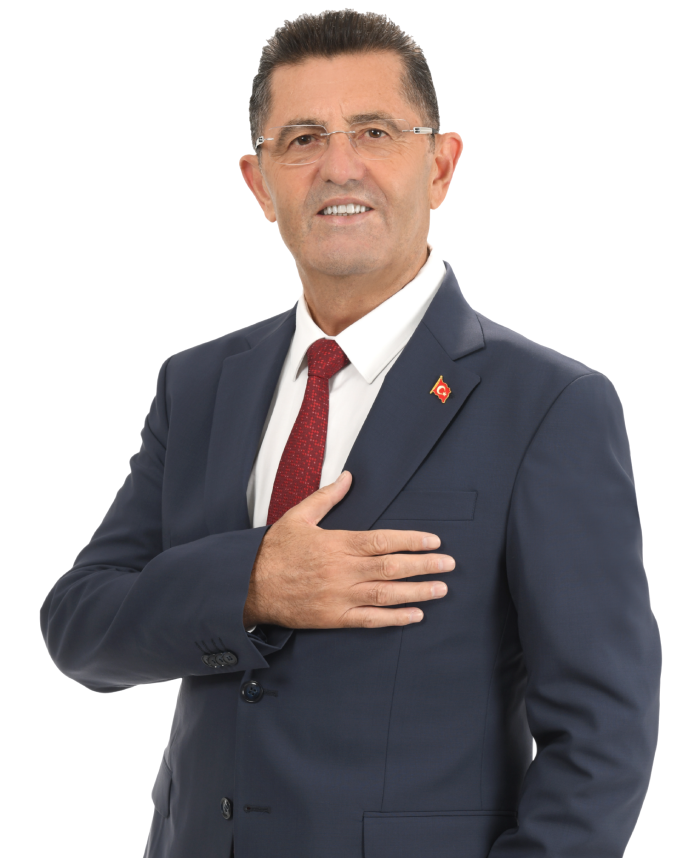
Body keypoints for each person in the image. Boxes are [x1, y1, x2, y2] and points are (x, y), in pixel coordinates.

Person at [39, 10, 660, 858]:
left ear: (439, 166)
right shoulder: (199, 384)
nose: (340, 165)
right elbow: (81, 627)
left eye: (374, 131)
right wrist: (253, 584)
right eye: (302, 139)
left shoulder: (550, 403)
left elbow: (602, 732)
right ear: (260, 184)